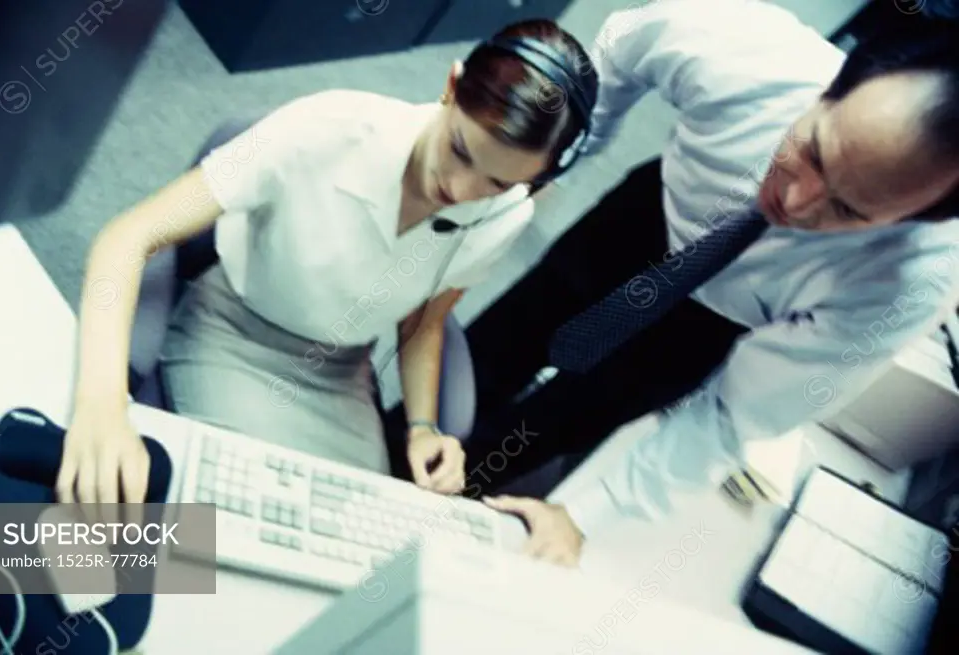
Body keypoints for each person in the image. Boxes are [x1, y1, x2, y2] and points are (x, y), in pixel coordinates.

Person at [461, 1, 959, 567]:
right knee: (508, 334)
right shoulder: (745, 49)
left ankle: (468, 481)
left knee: (559, 422)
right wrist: (556, 156)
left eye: (848, 208)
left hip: (710, 324)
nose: (795, 202)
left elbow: (732, 416)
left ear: (915, 218)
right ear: (833, 86)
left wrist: (586, 513)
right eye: (814, 152)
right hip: (645, 218)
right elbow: (620, 49)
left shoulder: (911, 282)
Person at [55, 19, 599, 506]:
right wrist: (100, 403)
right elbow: (128, 236)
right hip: (235, 337)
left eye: (498, 182)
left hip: (340, 375)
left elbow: (424, 322)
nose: (460, 190)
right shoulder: (322, 126)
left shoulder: (506, 215)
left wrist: (423, 426)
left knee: (346, 548)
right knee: (232, 522)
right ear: (451, 87)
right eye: (461, 150)